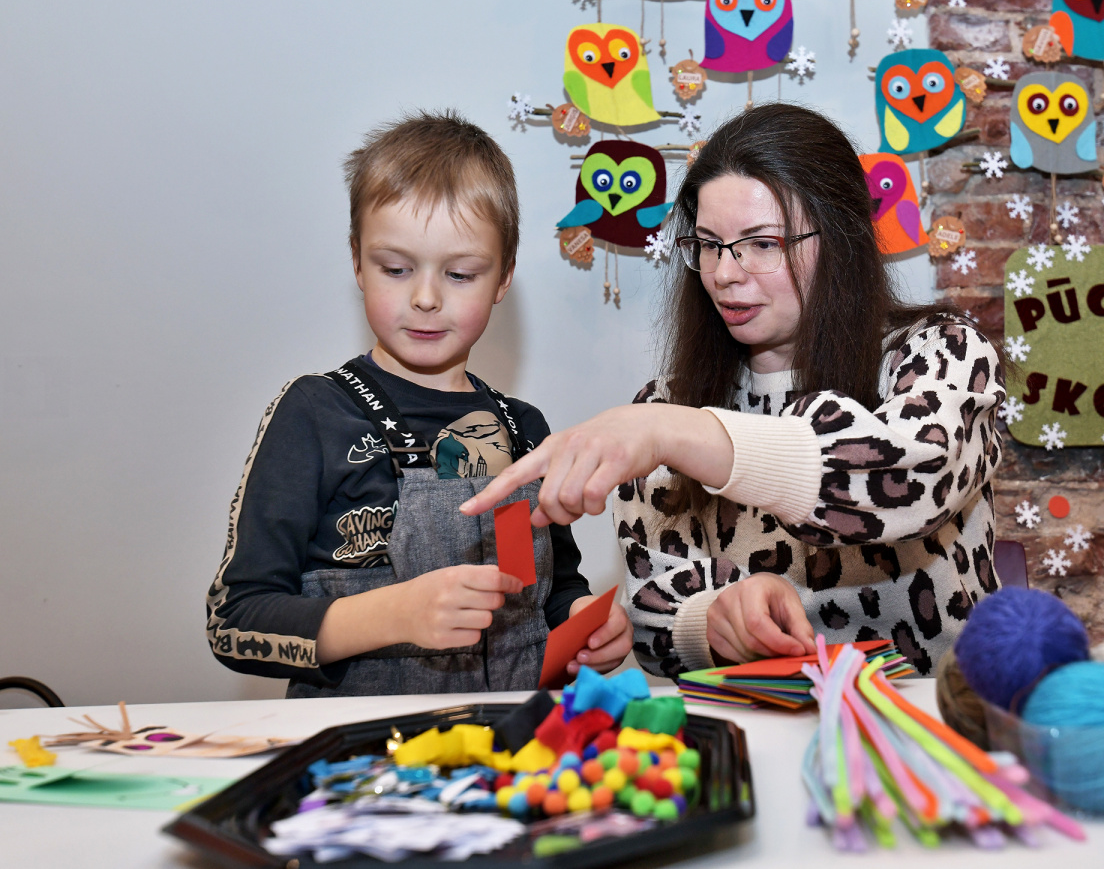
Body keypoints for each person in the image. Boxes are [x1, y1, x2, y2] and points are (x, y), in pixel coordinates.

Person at [463, 103, 1005, 679]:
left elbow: (912, 474)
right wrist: (715, 624)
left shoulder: (943, 353)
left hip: (931, 711)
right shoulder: (663, 407)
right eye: (709, 244)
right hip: (755, 719)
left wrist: (675, 432)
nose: (723, 273)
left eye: (762, 243)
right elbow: (654, 621)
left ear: (842, 238)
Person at [206, 111, 632, 697]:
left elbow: (549, 590)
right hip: (362, 746)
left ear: (503, 278)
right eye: (396, 269)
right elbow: (233, 623)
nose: (426, 298)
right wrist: (394, 614)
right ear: (358, 262)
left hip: (506, 740)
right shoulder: (313, 414)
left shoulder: (523, 429)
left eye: (460, 274)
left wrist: (583, 623)